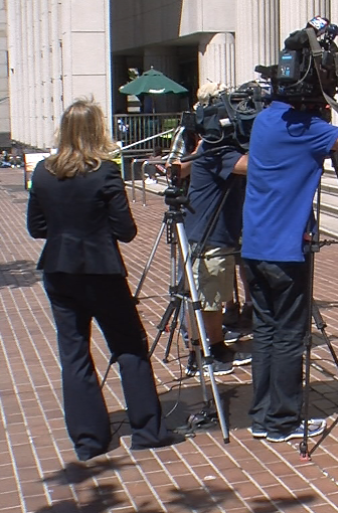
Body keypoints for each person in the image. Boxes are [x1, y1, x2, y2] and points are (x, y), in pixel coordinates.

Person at [26, 98, 181, 460]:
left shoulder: (44, 173)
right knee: (129, 346)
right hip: (101, 270)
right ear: (97, 131)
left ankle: (88, 440)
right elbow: (125, 230)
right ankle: (147, 429)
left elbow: (37, 227)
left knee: (74, 352)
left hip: (60, 271)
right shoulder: (106, 172)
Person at [241, 70, 338, 443]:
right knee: (288, 335)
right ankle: (283, 421)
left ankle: (263, 417)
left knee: (265, 331)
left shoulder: (265, 120)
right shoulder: (307, 128)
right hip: (285, 250)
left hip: (254, 245)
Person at [181, 83, 252, 376]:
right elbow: (255, 166)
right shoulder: (218, 148)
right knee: (208, 298)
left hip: (212, 232)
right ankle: (210, 353)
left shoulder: (215, 145)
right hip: (208, 235)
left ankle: (208, 346)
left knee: (206, 295)